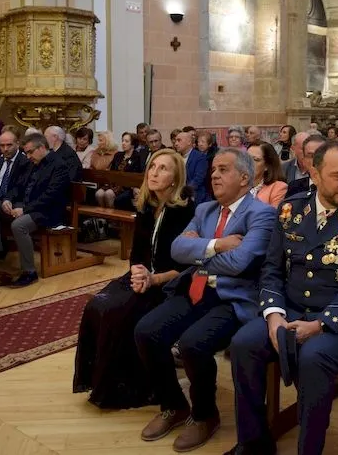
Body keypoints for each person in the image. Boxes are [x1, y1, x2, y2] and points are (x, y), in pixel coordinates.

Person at [225, 141, 338, 455]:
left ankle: (309, 449)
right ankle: (253, 442)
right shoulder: (292, 208)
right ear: (315, 174)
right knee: (243, 344)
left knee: (314, 357)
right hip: (288, 309)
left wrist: (319, 325)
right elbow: (272, 269)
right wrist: (274, 316)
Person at [133, 148, 274, 452]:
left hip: (232, 299)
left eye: (223, 170)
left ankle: (204, 415)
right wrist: (217, 245)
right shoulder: (205, 210)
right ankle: (173, 405)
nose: (214, 175)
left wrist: (198, 251)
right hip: (195, 290)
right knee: (146, 331)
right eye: (213, 170)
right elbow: (176, 249)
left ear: (244, 178)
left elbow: (239, 263)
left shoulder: (262, 214)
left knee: (193, 343)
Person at [74, 149, 196, 408]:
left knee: (118, 312)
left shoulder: (186, 211)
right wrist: (138, 272)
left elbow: (188, 265)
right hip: (143, 276)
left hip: (170, 282)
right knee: (97, 304)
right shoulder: (147, 206)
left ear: (175, 179)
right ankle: (100, 381)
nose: (154, 173)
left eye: (163, 168)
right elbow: (138, 252)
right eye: (152, 167)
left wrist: (154, 279)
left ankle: (131, 387)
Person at [0, 133, 70, 286]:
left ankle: (29, 271)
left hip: (46, 212)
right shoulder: (32, 163)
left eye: (30, 152)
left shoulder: (59, 165)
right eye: (26, 152)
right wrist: (8, 199)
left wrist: (24, 209)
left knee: (19, 225)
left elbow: (50, 196)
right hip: (25, 206)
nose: (28, 156)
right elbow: (18, 186)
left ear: (42, 148)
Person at [0, 130, 29, 202]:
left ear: (17, 144)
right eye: (2, 145)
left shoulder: (25, 163)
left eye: (9, 145)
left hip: (11, 203)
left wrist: (7, 200)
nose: (5, 149)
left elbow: (19, 188)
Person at [247, 142, 287, 208]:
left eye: (255, 160)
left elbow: (271, 213)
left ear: (267, 166)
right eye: (246, 158)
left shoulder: (278, 188)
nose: (248, 163)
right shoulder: (235, 184)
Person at [174, 131, 210, 203]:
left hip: (196, 198)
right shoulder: (175, 158)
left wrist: (184, 192)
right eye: (175, 141)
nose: (176, 144)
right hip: (177, 198)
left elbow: (198, 178)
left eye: (179, 140)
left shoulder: (200, 157)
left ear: (189, 142)